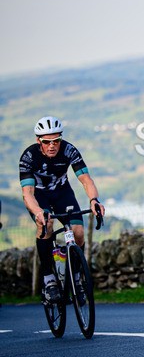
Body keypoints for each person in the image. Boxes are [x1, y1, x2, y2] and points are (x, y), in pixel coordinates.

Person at [19, 116, 106, 303]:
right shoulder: (29, 156)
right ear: (38, 141)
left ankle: (75, 276)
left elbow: (85, 179)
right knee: (46, 224)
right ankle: (48, 278)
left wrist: (94, 200)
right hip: (39, 197)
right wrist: (38, 212)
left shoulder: (69, 150)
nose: (52, 145)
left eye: (56, 140)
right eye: (47, 142)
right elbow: (28, 193)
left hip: (62, 193)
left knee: (78, 232)